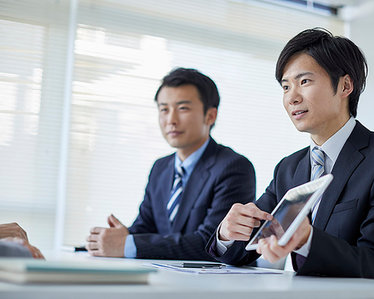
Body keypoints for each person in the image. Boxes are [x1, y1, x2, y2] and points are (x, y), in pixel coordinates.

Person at [206, 28, 374, 281]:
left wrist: (307, 241)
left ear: (345, 85)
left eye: (304, 82)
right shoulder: (288, 168)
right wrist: (227, 233)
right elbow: (241, 254)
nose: (292, 98)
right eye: (286, 87)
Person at [86, 68, 256, 260]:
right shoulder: (160, 168)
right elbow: (146, 227)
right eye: (164, 109)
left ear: (210, 115)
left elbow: (211, 242)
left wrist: (129, 245)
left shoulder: (233, 167)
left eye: (183, 108)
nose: (171, 120)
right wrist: (111, 240)